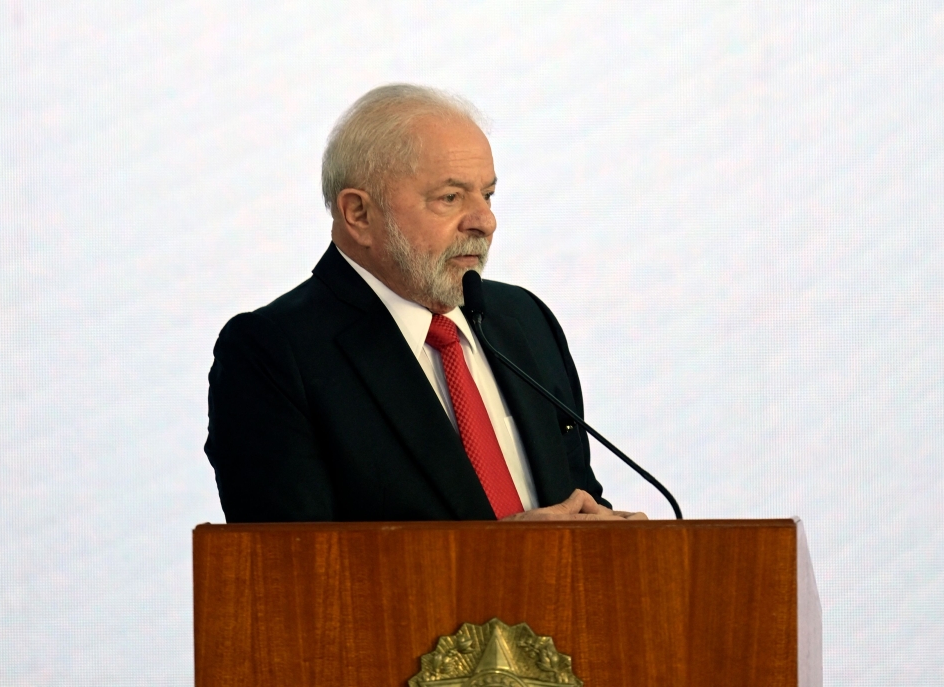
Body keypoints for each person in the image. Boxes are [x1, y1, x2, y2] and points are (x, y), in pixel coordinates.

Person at [205, 84, 646, 523]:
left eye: (487, 195)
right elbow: (289, 572)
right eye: (450, 197)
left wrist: (607, 537)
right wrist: (504, 557)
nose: (484, 221)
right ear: (358, 213)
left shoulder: (524, 320)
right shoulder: (272, 353)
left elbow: (576, 499)